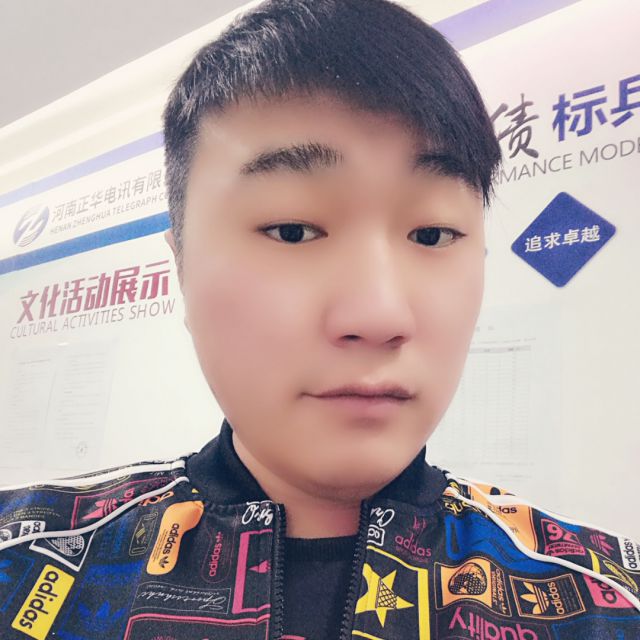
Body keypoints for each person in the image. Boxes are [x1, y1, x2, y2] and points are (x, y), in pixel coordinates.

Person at [1, 1, 639, 638]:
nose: (379, 314)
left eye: (433, 233)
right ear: (182, 266)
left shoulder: (606, 600)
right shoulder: (26, 562)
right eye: (293, 230)